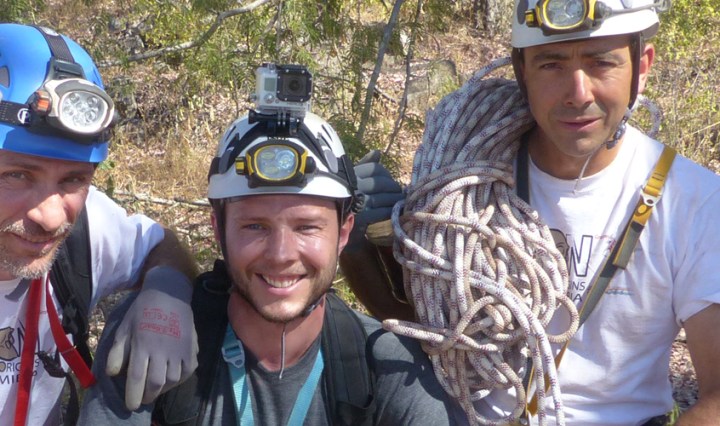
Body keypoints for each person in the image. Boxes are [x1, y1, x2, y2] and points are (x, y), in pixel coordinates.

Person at [345, 0, 720, 424]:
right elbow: (435, 335)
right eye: (551, 65)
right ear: (521, 71)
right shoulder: (463, 180)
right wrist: (356, 249)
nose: (578, 93)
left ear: (642, 65)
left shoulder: (694, 202)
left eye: (601, 63)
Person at [78, 79, 469, 424]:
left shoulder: (386, 367)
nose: (281, 254)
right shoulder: (156, 336)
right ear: (218, 230)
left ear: (344, 232)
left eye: (307, 227)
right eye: (255, 226)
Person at [0, 23, 198, 425]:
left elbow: (160, 247)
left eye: (73, 179)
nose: (51, 217)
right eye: (17, 175)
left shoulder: (88, 231)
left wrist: (167, 291)